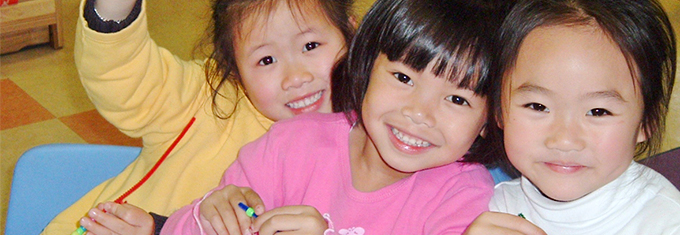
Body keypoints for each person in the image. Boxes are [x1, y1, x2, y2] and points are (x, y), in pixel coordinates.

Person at [81, 0, 508, 234]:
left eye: (457, 100)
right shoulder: (289, 145)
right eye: (402, 76)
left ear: (489, 120)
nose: (419, 113)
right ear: (365, 62)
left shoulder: (463, 202)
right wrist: (209, 216)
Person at [42, 0, 356, 233]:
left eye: (311, 45)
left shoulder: (380, 138)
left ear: (352, 33)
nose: (295, 77)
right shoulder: (206, 96)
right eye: (267, 59)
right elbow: (120, 72)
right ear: (233, 68)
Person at [464, 0, 680, 234]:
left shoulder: (672, 228)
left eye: (598, 112)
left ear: (648, 121)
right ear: (497, 110)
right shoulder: (493, 205)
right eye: (537, 106)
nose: (564, 140)